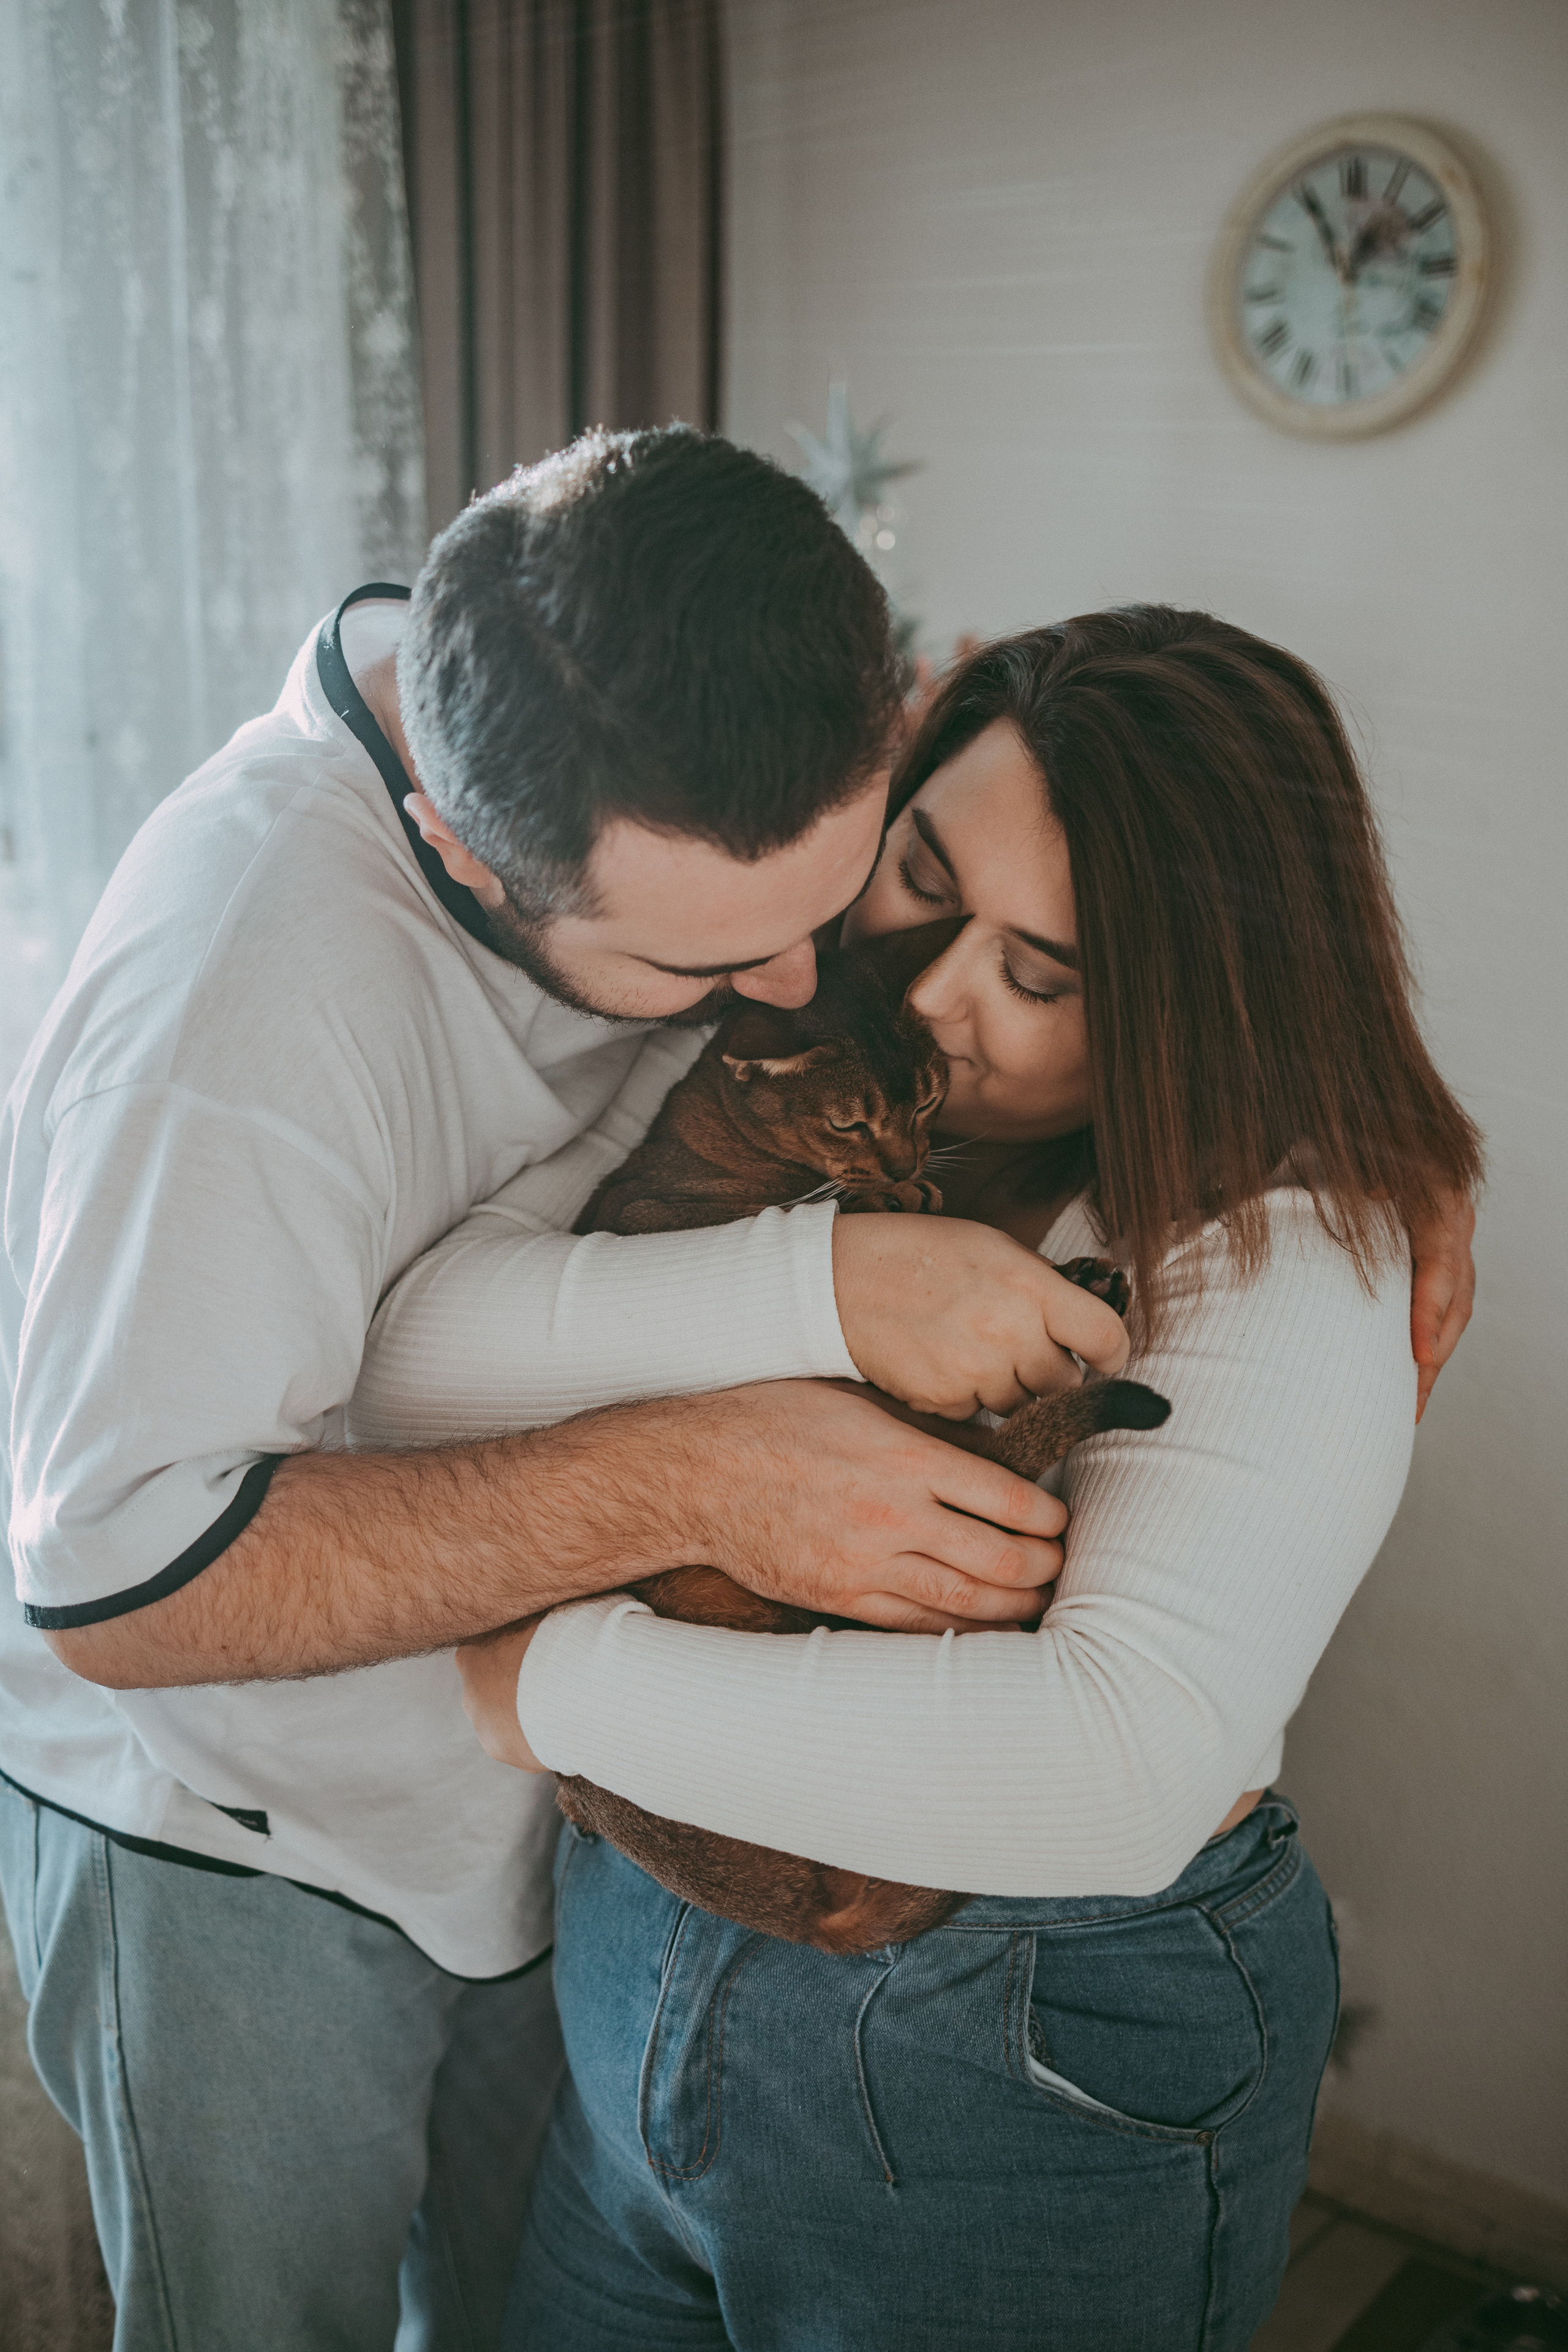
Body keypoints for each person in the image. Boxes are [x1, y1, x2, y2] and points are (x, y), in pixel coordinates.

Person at [0, 429, 1147, 2352]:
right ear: (463, 847)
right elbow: (127, 1583)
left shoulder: (668, 683)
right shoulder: (241, 1003)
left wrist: (1376, 1182)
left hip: (539, 1789)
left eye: (833, 894)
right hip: (242, 1842)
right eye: (708, 961)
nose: (803, 986)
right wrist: (705, 1479)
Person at [454, 608, 1485, 2351]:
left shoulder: (1293, 1248)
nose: (933, 991)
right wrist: (821, 1289)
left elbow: (1120, 1769)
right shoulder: (793, 1010)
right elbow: (419, 1349)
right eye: (921, 874)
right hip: (644, 1944)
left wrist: (548, 1685)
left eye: (1043, 975)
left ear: (1198, 1008)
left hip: (1015, 2042)